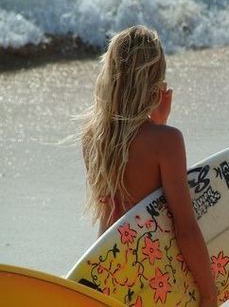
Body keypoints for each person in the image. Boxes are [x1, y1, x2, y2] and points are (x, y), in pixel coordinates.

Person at [80, 25, 218, 307]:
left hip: (108, 271)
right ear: (155, 82)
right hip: (150, 273)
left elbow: (120, 206)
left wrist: (157, 124)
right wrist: (208, 295)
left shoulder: (92, 137)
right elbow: (185, 226)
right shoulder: (166, 142)